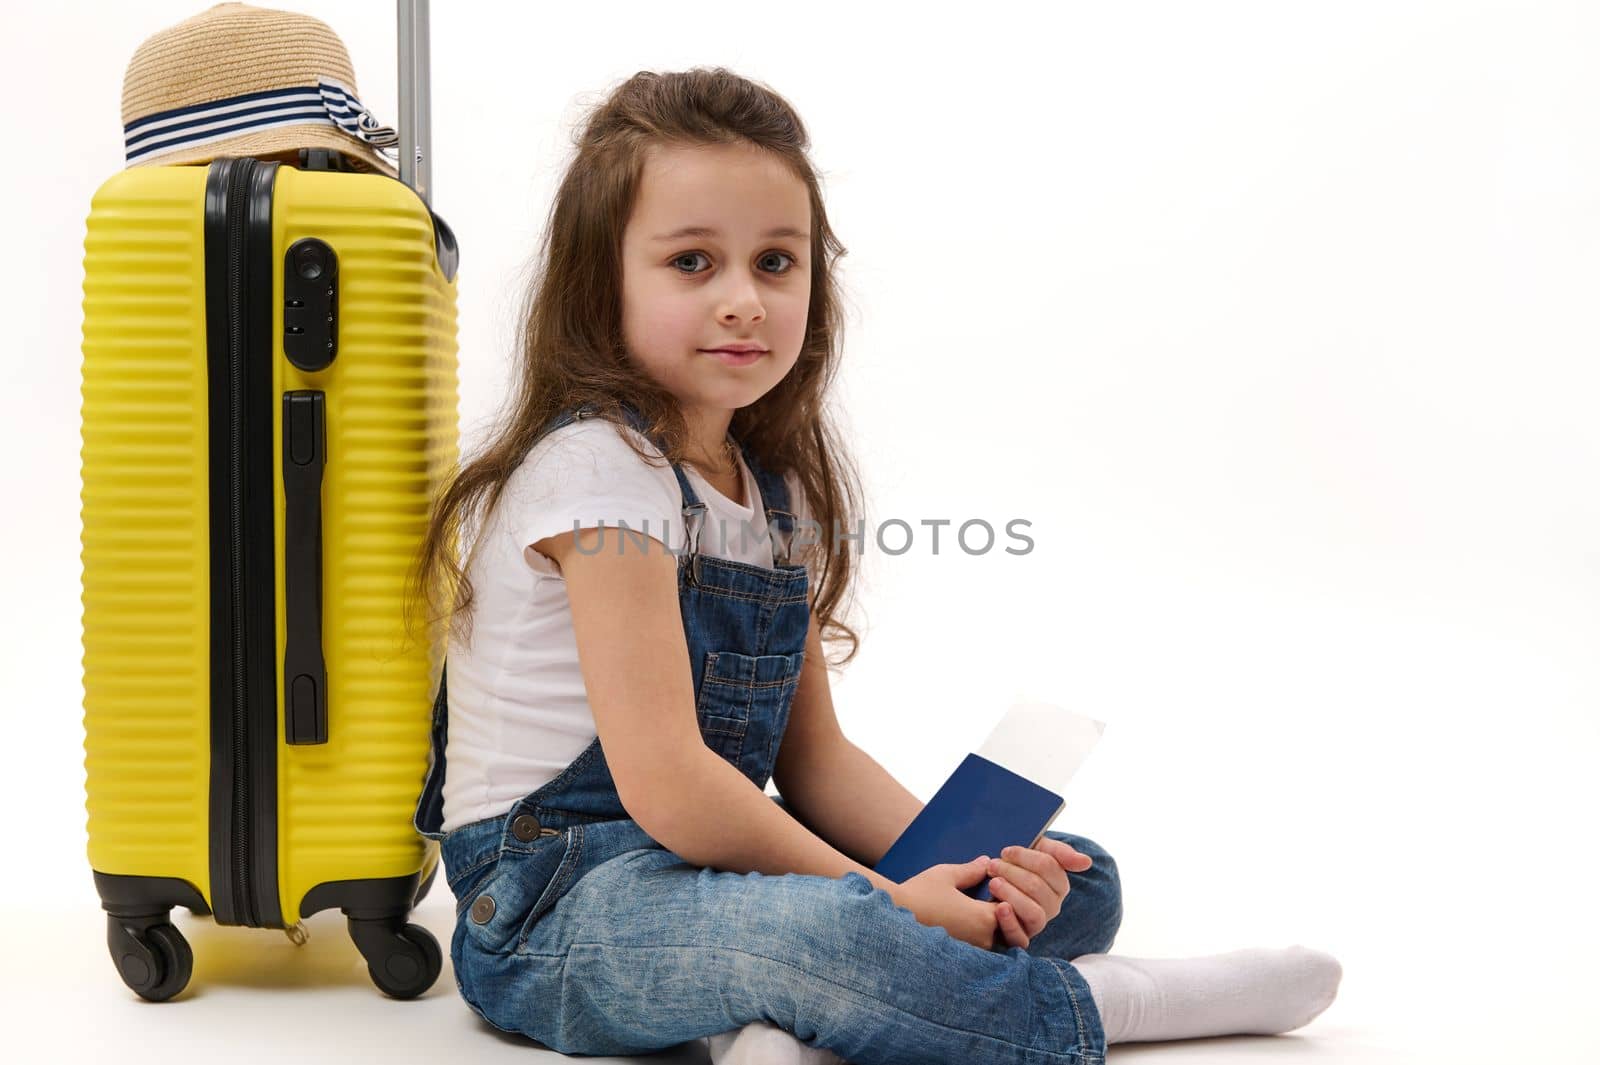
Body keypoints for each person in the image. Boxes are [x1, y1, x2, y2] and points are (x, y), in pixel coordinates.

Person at [407, 67, 1342, 1065]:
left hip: (711, 861)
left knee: (1075, 877)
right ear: (604, 285)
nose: (742, 301)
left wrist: (968, 866)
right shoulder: (595, 469)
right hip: (560, 902)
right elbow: (672, 786)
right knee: (840, 935)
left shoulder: (772, 492)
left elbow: (815, 765)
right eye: (691, 263)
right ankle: (1115, 1005)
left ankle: (777, 1020)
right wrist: (896, 900)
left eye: (775, 262)